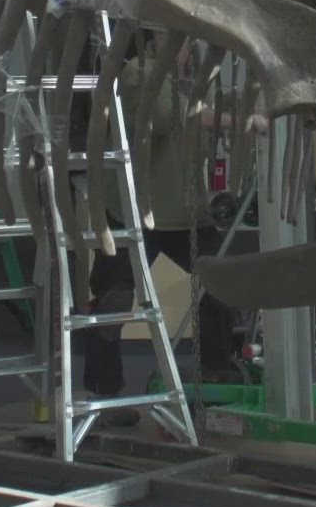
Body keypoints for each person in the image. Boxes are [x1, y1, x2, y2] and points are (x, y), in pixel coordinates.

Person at [80, 42, 261, 425]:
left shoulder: (199, 77)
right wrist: (231, 119)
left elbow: (206, 112)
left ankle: (216, 375)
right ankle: (104, 393)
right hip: (133, 210)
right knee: (114, 299)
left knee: (222, 287)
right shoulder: (138, 73)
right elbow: (163, 117)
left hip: (188, 214)